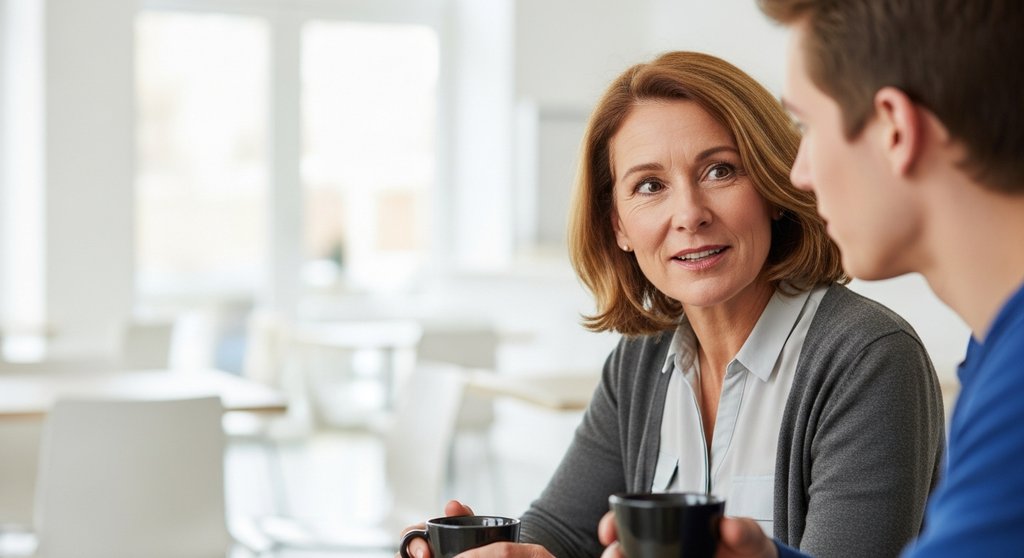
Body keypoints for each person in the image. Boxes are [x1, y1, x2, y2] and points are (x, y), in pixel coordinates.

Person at [406, 51, 945, 558]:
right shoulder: (639, 363)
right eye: (649, 185)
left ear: (772, 185)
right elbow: (562, 535)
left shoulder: (868, 358)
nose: (689, 213)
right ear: (618, 224)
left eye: (720, 170)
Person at [597, 2, 1024, 558]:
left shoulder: (990, 372)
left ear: (895, 128)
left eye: (807, 126)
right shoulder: (995, 353)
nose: (796, 172)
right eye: (649, 186)